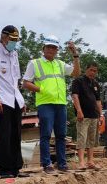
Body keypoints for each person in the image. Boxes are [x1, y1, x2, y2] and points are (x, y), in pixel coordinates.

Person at [22, 35, 80, 174]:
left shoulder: (60, 64)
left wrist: (75, 55)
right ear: (43, 48)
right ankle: (47, 163)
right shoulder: (35, 63)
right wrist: (42, 89)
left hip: (60, 103)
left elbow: (76, 73)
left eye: (54, 47)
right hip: (45, 103)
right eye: (48, 47)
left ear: (57, 50)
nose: (51, 49)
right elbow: (26, 83)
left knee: (61, 135)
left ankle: (62, 164)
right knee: (46, 135)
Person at [0, 25, 25, 178]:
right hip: (1, 98)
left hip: (15, 98)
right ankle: (4, 169)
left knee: (16, 134)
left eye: (16, 40)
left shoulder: (14, 54)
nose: (14, 42)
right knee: (5, 134)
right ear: (3, 37)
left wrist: (20, 98)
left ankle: (16, 168)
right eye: (12, 39)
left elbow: (16, 79)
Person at [71, 62, 102, 170]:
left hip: (94, 115)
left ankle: (90, 161)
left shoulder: (96, 84)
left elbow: (98, 100)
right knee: (82, 138)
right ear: (86, 69)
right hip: (83, 115)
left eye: (95, 71)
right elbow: (75, 96)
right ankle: (81, 163)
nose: (92, 73)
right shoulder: (78, 81)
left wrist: (101, 115)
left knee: (91, 139)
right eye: (91, 70)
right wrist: (79, 111)